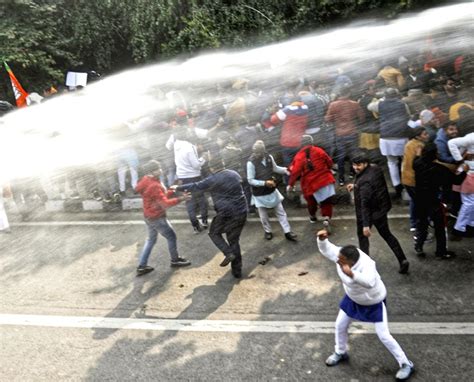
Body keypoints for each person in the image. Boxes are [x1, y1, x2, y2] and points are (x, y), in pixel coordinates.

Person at [316, 229, 414, 381]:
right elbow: (327, 249)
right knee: (340, 325)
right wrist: (322, 240)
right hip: (353, 299)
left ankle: (406, 364)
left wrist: (352, 274)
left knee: (384, 336)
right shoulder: (341, 255)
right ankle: (340, 352)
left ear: (352, 262)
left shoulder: (367, 264)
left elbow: (369, 282)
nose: (338, 261)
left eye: (342, 261)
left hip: (373, 301)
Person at [173, 158, 248, 278]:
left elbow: (196, 186)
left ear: (212, 168)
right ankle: (237, 271)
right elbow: (242, 184)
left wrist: (177, 188)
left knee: (213, 233)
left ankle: (228, 253)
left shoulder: (214, 178)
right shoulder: (234, 173)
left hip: (226, 213)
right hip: (242, 211)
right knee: (234, 240)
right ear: (223, 164)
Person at [347, 152, 409, 274]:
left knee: (363, 239)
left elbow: (365, 205)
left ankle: (364, 266)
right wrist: (356, 186)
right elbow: (374, 186)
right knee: (387, 235)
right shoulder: (375, 169)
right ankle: (402, 260)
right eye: (354, 165)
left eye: (358, 165)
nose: (355, 168)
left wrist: (365, 225)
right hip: (381, 210)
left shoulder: (364, 182)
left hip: (369, 214)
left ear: (365, 164)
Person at [134, 160, 191, 276]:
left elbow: (159, 197)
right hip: (157, 217)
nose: (161, 170)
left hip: (148, 215)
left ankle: (142, 266)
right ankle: (175, 260)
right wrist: (181, 199)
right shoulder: (154, 185)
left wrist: (171, 190)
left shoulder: (146, 180)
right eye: (158, 168)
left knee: (151, 240)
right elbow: (164, 204)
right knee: (171, 236)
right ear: (152, 171)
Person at [413, 143, 467, 259]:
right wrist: (464, 171)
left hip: (419, 201)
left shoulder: (417, 164)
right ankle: (441, 252)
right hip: (433, 202)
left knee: (422, 225)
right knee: (440, 227)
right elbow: (456, 181)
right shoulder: (439, 169)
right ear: (435, 155)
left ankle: (419, 246)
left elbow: (416, 160)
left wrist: (418, 155)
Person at [247, 140, 298, 241]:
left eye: (259, 152)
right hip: (259, 193)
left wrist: (286, 170)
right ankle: (268, 231)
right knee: (263, 215)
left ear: (263, 151)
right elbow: (250, 180)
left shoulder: (269, 157)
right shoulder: (250, 162)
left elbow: (275, 168)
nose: (257, 154)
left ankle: (287, 232)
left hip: (271, 190)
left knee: (281, 212)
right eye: (255, 152)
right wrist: (264, 183)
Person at [368, 88, 410, 198]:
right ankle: (406, 184)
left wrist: (381, 99)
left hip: (386, 136)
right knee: (404, 161)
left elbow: (369, 106)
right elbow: (408, 115)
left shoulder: (380, 104)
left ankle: (397, 186)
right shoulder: (402, 104)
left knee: (391, 162)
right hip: (401, 135)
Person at [287, 135, 336, 230]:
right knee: (326, 202)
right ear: (312, 142)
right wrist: (328, 168)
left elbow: (295, 172)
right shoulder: (319, 150)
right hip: (325, 180)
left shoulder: (299, 156)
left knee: (311, 202)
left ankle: (313, 216)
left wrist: (291, 184)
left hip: (310, 184)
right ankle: (326, 218)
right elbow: (329, 162)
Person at [324, 85, 365, 186]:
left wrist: (335, 119)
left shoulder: (333, 105)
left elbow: (327, 119)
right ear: (349, 93)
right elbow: (362, 117)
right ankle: (353, 173)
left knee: (341, 157)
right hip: (352, 132)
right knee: (354, 154)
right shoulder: (354, 104)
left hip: (339, 133)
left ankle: (341, 179)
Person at [401, 127, 430, 232]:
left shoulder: (410, 144)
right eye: (425, 134)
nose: (427, 136)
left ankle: (414, 223)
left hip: (407, 178)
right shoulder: (419, 146)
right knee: (419, 202)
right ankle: (418, 224)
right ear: (418, 136)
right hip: (414, 179)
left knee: (415, 201)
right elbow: (417, 164)